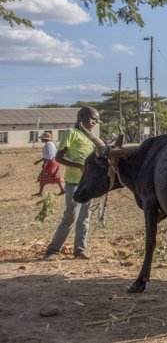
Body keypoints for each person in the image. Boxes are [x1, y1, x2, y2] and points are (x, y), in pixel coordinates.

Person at [44, 107, 102, 261]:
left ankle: (80, 250)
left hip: (87, 184)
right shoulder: (71, 133)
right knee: (71, 216)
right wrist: (79, 166)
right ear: (81, 116)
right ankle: (53, 250)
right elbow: (59, 158)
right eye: (92, 119)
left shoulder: (90, 137)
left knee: (85, 217)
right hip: (73, 183)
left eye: (96, 121)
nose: (94, 123)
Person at [33, 131, 65, 197]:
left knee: (48, 177)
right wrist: (39, 161)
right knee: (52, 177)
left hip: (50, 162)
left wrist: (45, 163)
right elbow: (47, 155)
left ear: (45, 139)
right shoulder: (50, 144)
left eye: (42, 138)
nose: (41, 139)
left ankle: (40, 192)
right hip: (51, 161)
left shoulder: (48, 145)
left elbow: (50, 155)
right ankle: (61, 190)